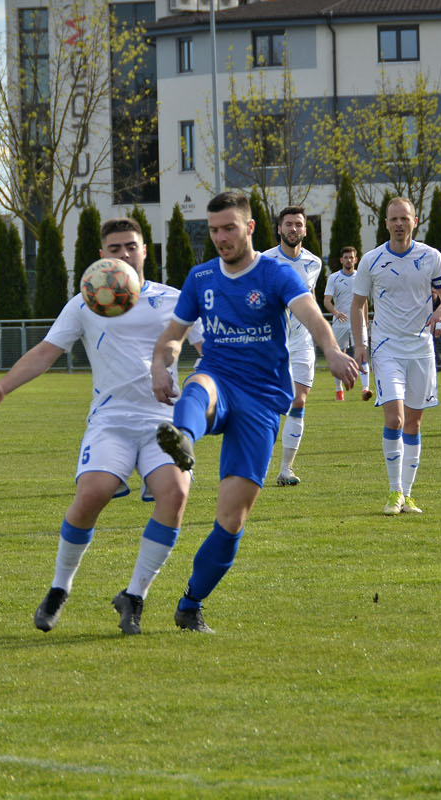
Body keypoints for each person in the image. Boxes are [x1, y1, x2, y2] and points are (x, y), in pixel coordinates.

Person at [0, 217, 200, 635]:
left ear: (145, 250)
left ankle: (134, 596)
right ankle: (60, 588)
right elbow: (46, 351)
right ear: (101, 256)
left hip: (162, 423)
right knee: (92, 493)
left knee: (176, 493)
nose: (123, 255)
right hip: (111, 421)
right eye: (114, 249)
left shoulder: (175, 300)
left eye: (131, 246)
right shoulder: (85, 302)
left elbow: (210, 351)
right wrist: (3, 387)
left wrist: (197, 392)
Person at [150, 191, 358, 633]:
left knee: (232, 519)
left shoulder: (275, 272)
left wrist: (333, 352)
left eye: (229, 228)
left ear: (249, 229)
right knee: (199, 384)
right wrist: (160, 363)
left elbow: (311, 315)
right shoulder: (201, 276)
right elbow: (173, 334)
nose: (220, 237)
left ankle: (190, 604)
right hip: (219, 377)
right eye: (213, 229)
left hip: (262, 400)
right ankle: (182, 440)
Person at [350, 196, 441, 515]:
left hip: (421, 348)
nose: (398, 224)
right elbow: (357, 304)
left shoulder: (430, 257)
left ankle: (408, 495)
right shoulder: (371, 260)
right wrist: (360, 344)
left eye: (404, 219)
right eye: (393, 219)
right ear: (385, 223)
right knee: (394, 418)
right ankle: (394, 492)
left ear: (414, 222)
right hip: (387, 348)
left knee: (414, 422)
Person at [261, 206, 326, 487]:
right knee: (269, 406)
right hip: (271, 343)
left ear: (305, 229)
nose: (293, 229)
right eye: (288, 224)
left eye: (298, 224)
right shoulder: (264, 261)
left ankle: (286, 469)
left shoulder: (315, 263)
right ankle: (255, 465)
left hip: (301, 342)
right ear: (279, 228)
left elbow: (310, 298)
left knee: (299, 401)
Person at [323, 245, 372, 399]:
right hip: (340, 324)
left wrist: (365, 320)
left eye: (351, 257)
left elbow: (363, 302)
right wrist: (336, 313)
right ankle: (339, 390)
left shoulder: (361, 277)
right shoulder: (333, 278)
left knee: (362, 354)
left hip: (358, 323)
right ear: (341, 260)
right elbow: (326, 301)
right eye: (346, 257)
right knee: (339, 355)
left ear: (356, 259)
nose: (349, 260)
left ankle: (365, 389)